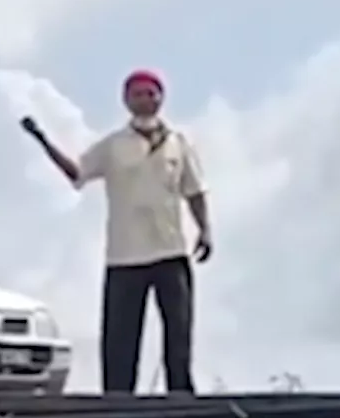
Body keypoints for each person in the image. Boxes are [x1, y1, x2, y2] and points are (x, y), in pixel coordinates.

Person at [19, 70, 212, 395]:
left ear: (161, 98)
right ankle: (118, 402)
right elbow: (77, 172)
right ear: (126, 100)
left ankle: (181, 397)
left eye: (150, 93)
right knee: (120, 341)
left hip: (170, 251)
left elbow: (194, 190)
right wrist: (43, 140)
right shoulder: (113, 146)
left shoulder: (177, 144)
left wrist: (205, 230)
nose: (145, 99)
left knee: (178, 335)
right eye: (137, 94)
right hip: (126, 256)